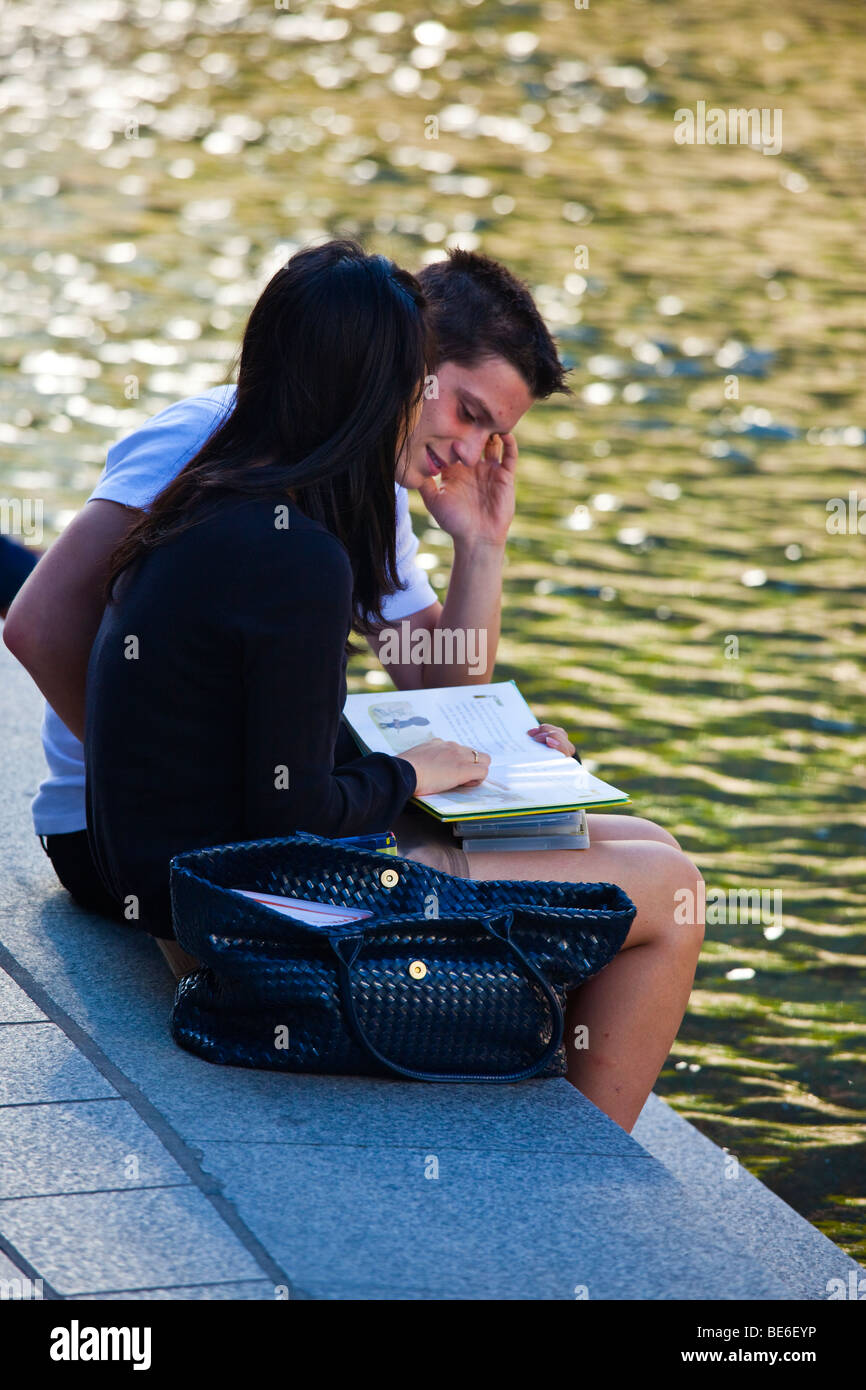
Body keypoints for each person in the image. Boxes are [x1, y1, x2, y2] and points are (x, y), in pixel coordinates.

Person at [5, 240, 704, 1132]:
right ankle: (585, 1175)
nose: (468, 446)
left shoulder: (286, 486)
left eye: (496, 436)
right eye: (461, 408)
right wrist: (162, 790)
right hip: (174, 860)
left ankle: (539, 1093)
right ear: (406, 366)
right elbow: (42, 629)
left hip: (211, 842)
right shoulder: (244, 480)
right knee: (669, 888)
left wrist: (481, 548)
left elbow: (418, 682)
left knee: (632, 837)